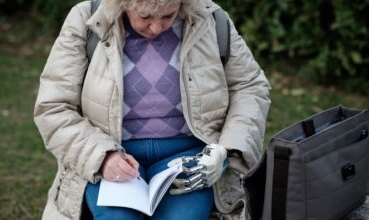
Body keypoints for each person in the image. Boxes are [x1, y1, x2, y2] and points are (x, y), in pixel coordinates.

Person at [33, 0, 271, 219]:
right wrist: (101, 157)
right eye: (145, 16)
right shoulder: (87, 18)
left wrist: (226, 149)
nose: (156, 27)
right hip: (114, 152)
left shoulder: (210, 18)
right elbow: (53, 106)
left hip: (188, 155)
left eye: (168, 15)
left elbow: (250, 86)